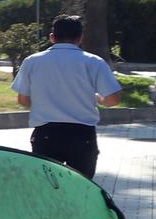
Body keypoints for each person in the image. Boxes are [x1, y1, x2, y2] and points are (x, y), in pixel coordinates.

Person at [12, 14, 121, 180]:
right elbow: (113, 99)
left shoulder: (32, 61)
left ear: (52, 37)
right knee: (81, 188)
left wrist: (44, 106)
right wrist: (98, 98)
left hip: (46, 134)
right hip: (82, 136)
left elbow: (23, 100)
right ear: (80, 38)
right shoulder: (94, 62)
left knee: (46, 188)